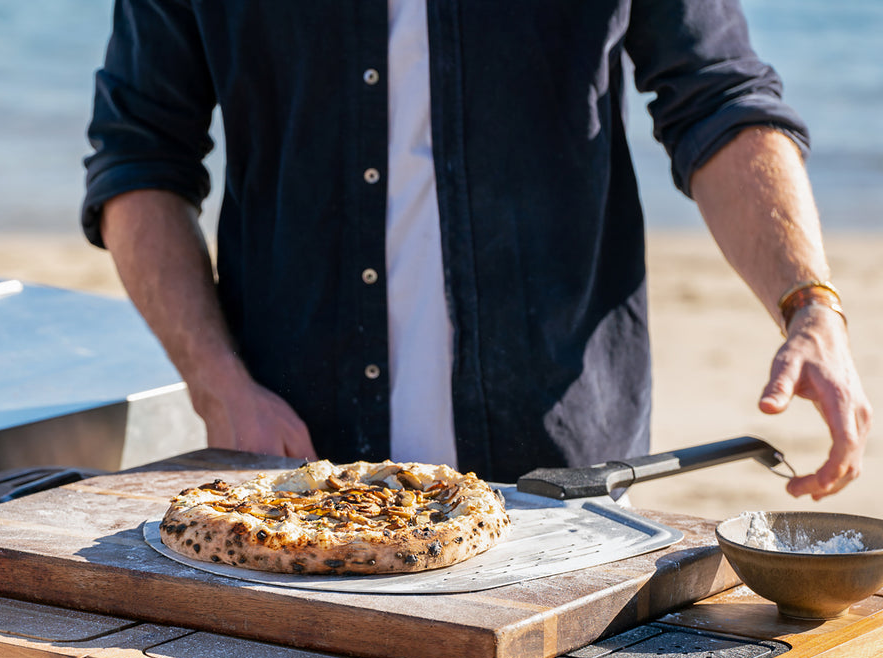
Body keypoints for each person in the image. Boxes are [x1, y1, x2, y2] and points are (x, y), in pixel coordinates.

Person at [81, 0, 870, 500]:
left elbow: (718, 97)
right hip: (298, 476)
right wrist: (219, 387)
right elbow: (138, 156)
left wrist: (809, 303)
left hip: (559, 477)